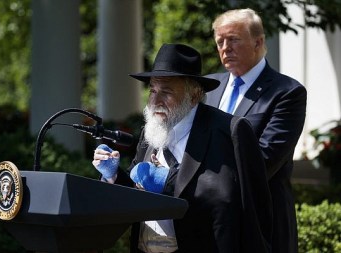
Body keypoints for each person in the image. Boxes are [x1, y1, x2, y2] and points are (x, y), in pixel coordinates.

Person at [92, 43, 272, 253]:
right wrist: (113, 176)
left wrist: (167, 182)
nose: (155, 100)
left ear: (194, 95)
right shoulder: (151, 129)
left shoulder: (228, 130)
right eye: (152, 90)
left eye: (166, 92)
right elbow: (139, 189)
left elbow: (231, 200)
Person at [204, 8, 307, 253]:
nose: (225, 48)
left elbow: (265, 159)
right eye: (220, 41)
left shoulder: (287, 92)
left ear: (258, 42)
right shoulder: (208, 88)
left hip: (262, 221)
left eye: (234, 39)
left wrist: (202, 174)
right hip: (211, 220)